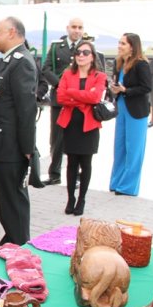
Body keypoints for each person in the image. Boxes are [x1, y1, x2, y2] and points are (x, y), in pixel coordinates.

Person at [0, 17, 38, 254]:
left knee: (13, 196)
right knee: (5, 195)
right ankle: (11, 237)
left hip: (12, 144)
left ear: (12, 33)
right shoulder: (9, 61)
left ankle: (19, 244)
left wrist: (27, 148)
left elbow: (26, 109)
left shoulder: (21, 62)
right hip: (1, 142)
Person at [56, 40, 106, 216]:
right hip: (70, 124)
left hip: (89, 125)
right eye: (78, 52)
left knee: (86, 163)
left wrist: (73, 94)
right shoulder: (68, 74)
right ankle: (70, 198)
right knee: (71, 163)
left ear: (92, 56)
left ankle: (81, 199)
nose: (81, 55)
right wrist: (84, 96)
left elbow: (95, 98)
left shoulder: (99, 76)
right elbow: (60, 97)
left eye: (85, 52)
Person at [40, 18, 85, 185]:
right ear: (68, 28)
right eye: (74, 27)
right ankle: (54, 173)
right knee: (57, 137)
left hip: (80, 99)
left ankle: (78, 174)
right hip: (60, 98)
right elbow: (46, 69)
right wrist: (60, 84)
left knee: (79, 137)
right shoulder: (57, 47)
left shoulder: (87, 48)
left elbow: (96, 70)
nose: (77, 30)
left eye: (80, 27)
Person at [109, 33, 152, 197]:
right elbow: (118, 84)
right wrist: (115, 89)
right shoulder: (118, 62)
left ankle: (128, 187)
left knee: (134, 149)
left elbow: (147, 87)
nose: (119, 46)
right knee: (119, 147)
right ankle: (116, 182)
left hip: (136, 111)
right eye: (119, 43)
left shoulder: (141, 64)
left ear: (132, 47)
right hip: (121, 107)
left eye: (123, 44)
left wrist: (126, 90)